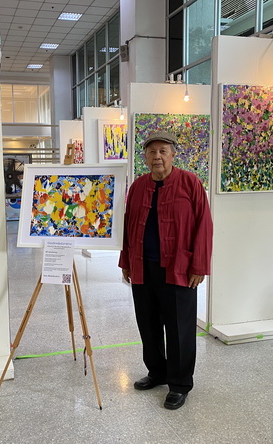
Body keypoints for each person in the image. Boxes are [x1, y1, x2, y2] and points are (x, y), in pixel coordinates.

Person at [119, 130, 213, 410]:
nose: (157, 156)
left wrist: (199, 265)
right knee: (148, 325)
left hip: (179, 268)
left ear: (173, 155)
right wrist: (126, 261)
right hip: (143, 267)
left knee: (179, 328)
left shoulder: (190, 183)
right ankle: (157, 372)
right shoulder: (138, 186)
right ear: (145, 157)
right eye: (152, 151)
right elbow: (127, 224)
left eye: (163, 151)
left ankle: (180, 384)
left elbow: (204, 226)